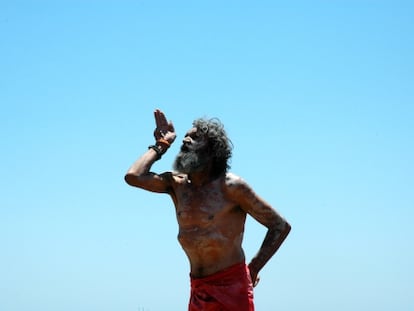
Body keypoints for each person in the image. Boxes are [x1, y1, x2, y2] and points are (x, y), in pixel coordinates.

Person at [124, 109, 291, 311]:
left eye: (195, 137)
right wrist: (162, 144)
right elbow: (133, 176)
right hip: (198, 288)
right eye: (185, 136)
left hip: (232, 288)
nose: (185, 139)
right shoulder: (177, 185)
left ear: (212, 150)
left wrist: (253, 268)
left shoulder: (231, 186)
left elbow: (279, 226)